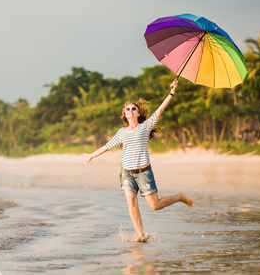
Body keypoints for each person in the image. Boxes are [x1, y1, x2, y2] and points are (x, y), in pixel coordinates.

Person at [82, 79, 193, 242]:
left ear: (138, 113)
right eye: (127, 109)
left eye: (133, 108)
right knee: (131, 204)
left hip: (144, 172)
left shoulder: (145, 127)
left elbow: (161, 110)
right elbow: (108, 145)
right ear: (125, 114)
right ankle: (141, 235)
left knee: (155, 206)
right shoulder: (121, 132)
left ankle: (179, 196)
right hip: (127, 173)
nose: (130, 110)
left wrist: (172, 92)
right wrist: (91, 155)